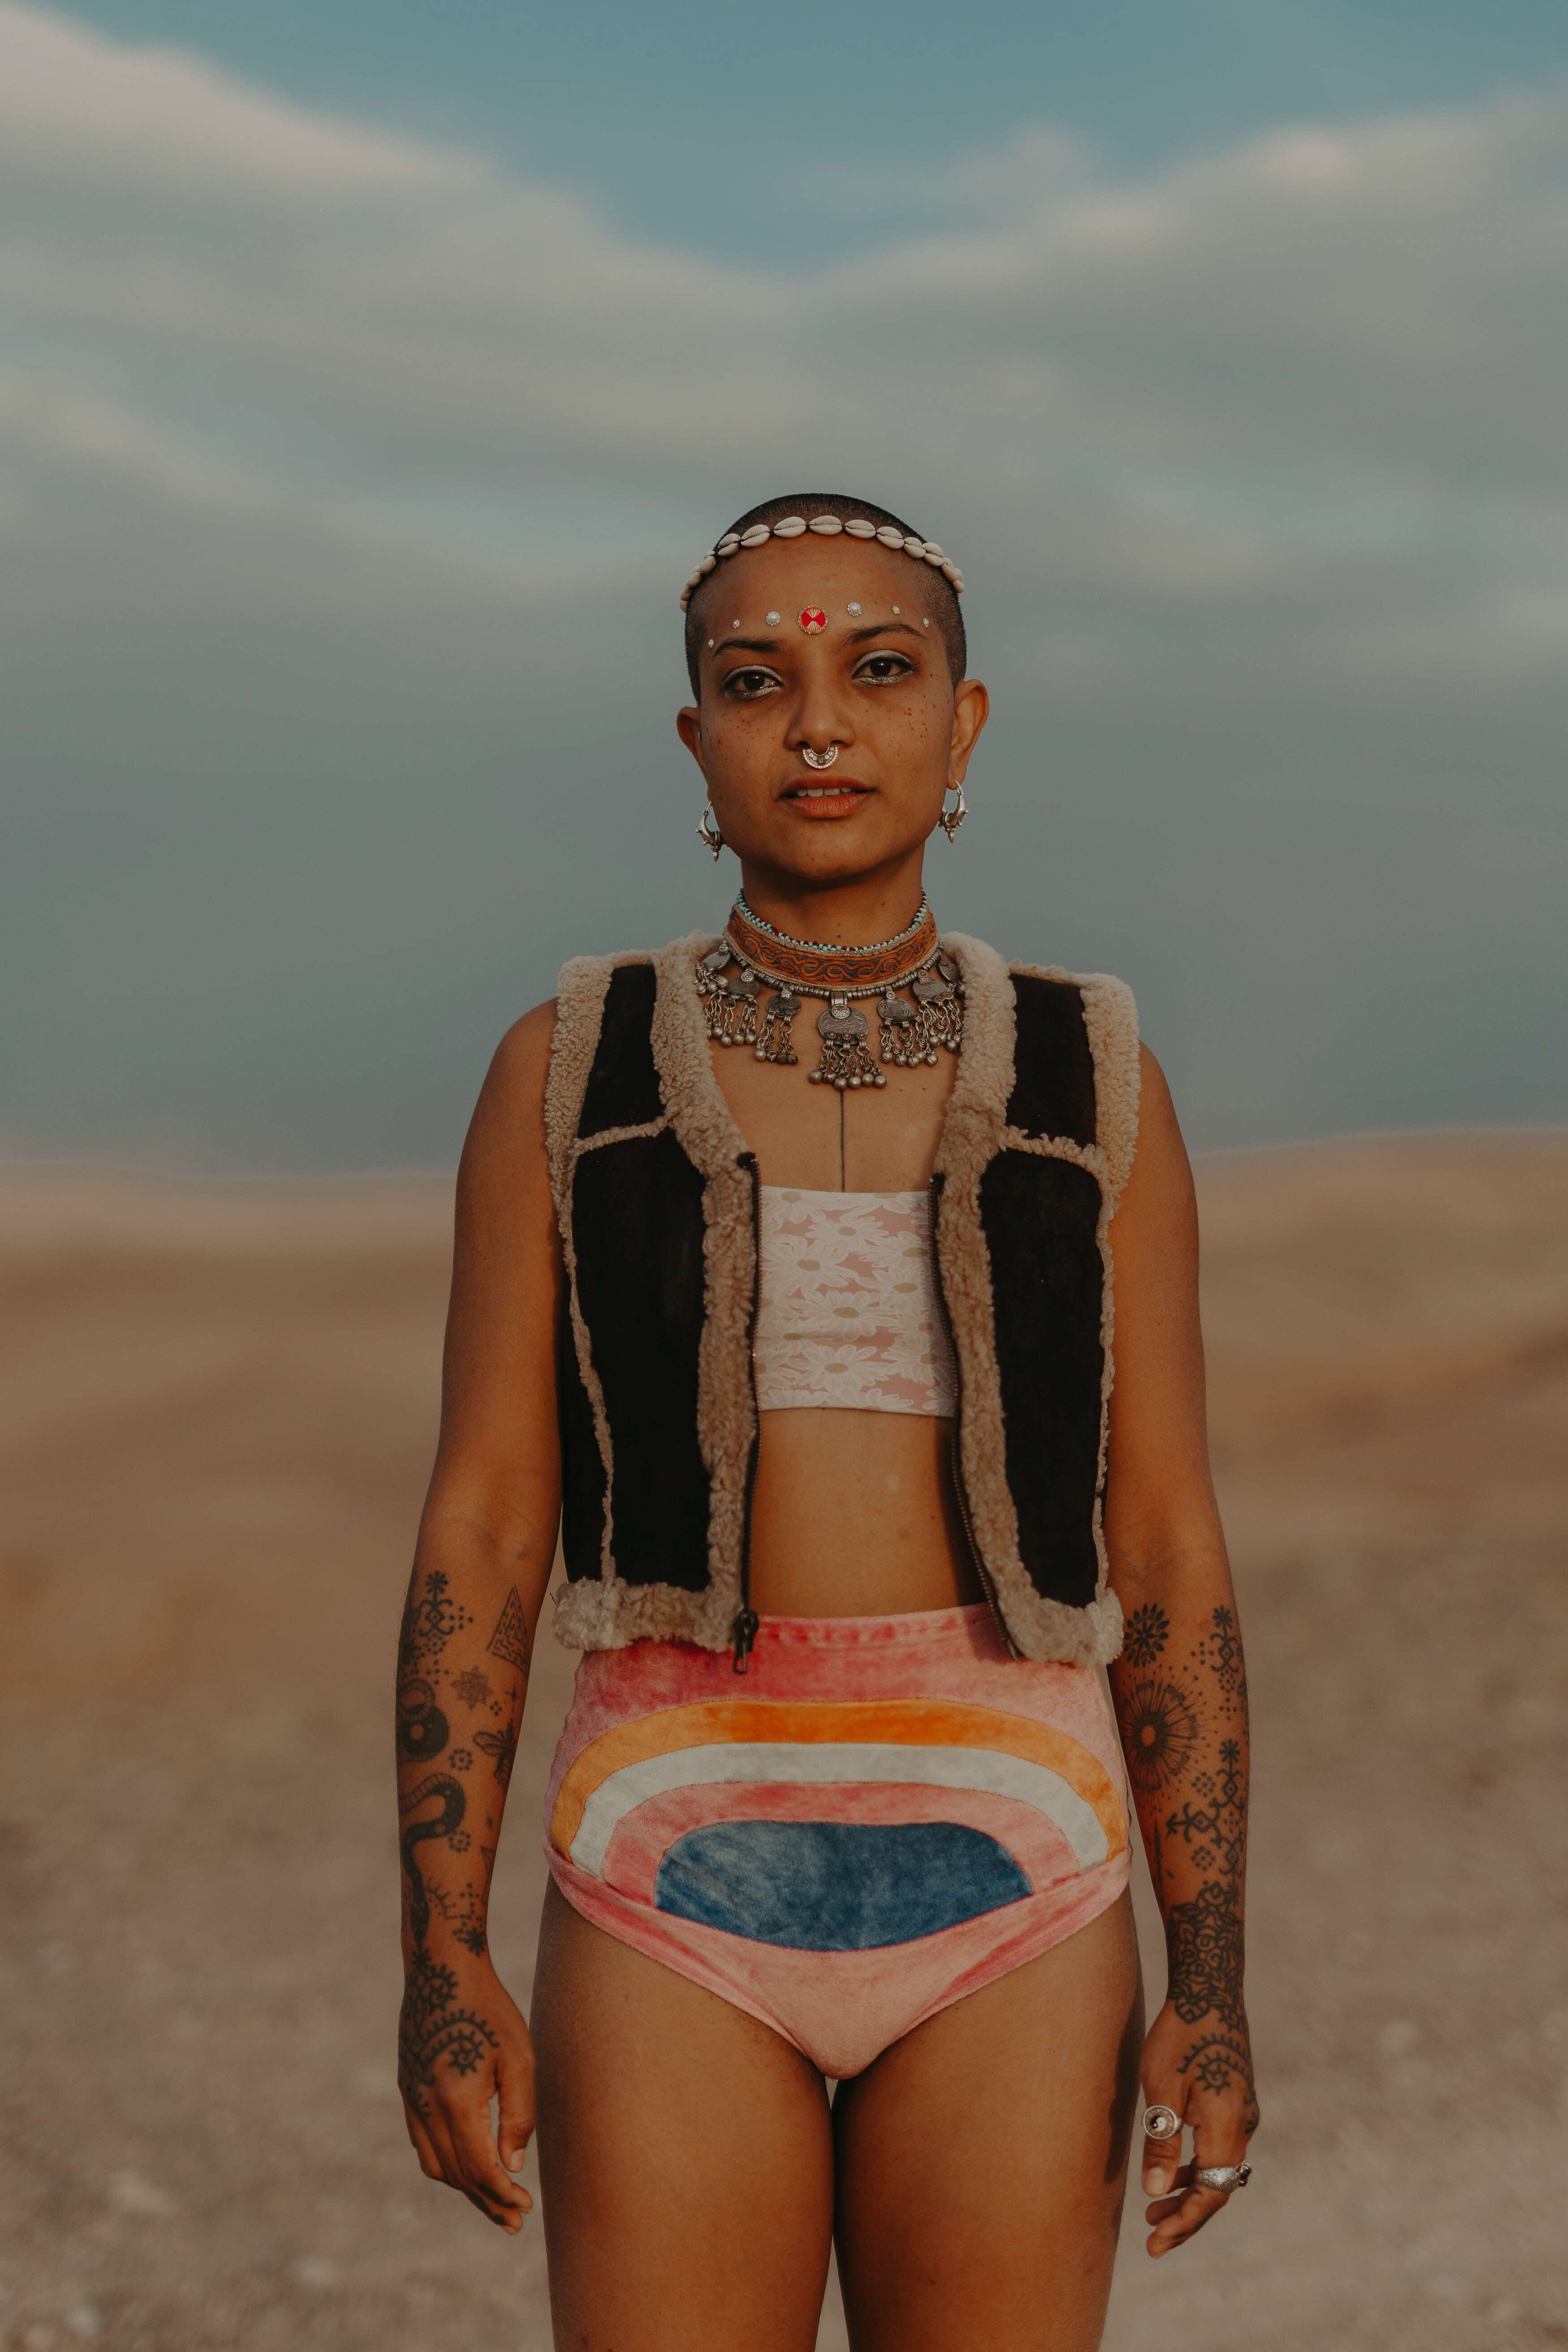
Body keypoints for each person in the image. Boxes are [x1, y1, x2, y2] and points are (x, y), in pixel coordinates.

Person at [393, 494, 1258, 2351]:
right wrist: (443, 1957)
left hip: (1019, 1849)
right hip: (669, 1838)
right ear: (692, 742)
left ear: (962, 726)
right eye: (749, 679)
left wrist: (1208, 1976)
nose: (815, 723)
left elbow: (1164, 1541)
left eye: (878, 670)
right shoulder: (568, 1068)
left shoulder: (1089, 1070)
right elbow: (483, 1520)